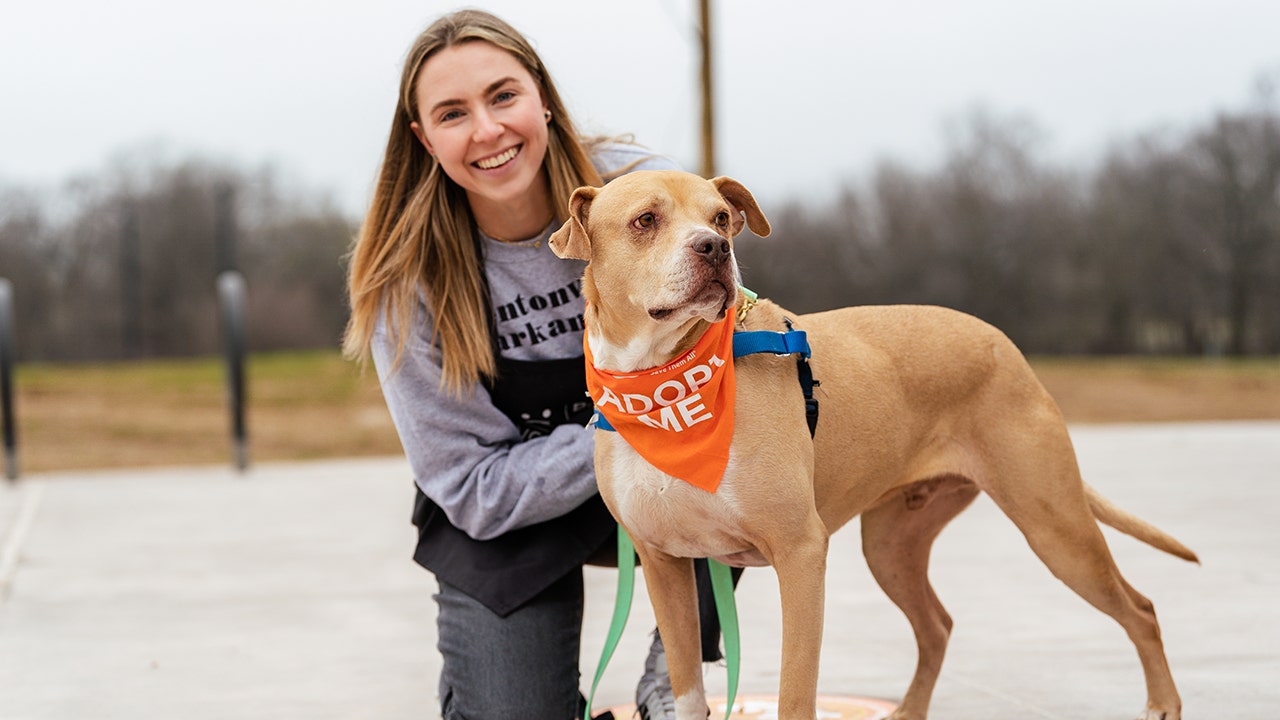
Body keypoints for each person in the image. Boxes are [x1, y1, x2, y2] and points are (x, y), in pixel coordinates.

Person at [343, 10, 732, 720]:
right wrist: (625, 427)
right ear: (424, 139)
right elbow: (469, 486)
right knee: (515, 710)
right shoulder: (408, 284)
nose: (488, 130)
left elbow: (728, 366)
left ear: (542, 97)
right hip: (508, 519)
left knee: (735, 471)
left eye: (503, 96)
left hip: (661, 476)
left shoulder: (645, 196)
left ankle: (674, 686)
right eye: (453, 113)